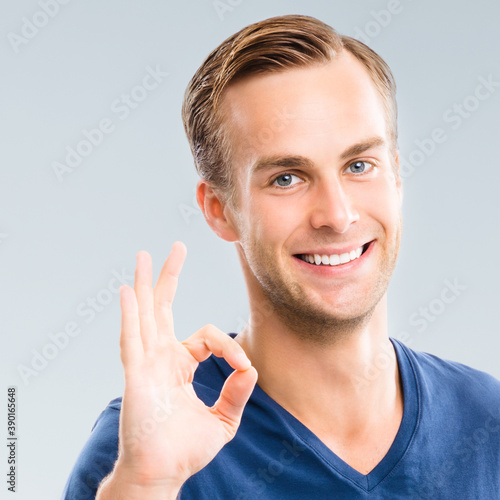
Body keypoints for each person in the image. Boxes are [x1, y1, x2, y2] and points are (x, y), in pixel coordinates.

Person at [61, 14, 500, 500]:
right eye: (286, 178)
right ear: (219, 209)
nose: (337, 215)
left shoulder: (488, 421)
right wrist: (148, 485)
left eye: (359, 165)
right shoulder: (140, 456)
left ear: (395, 177)